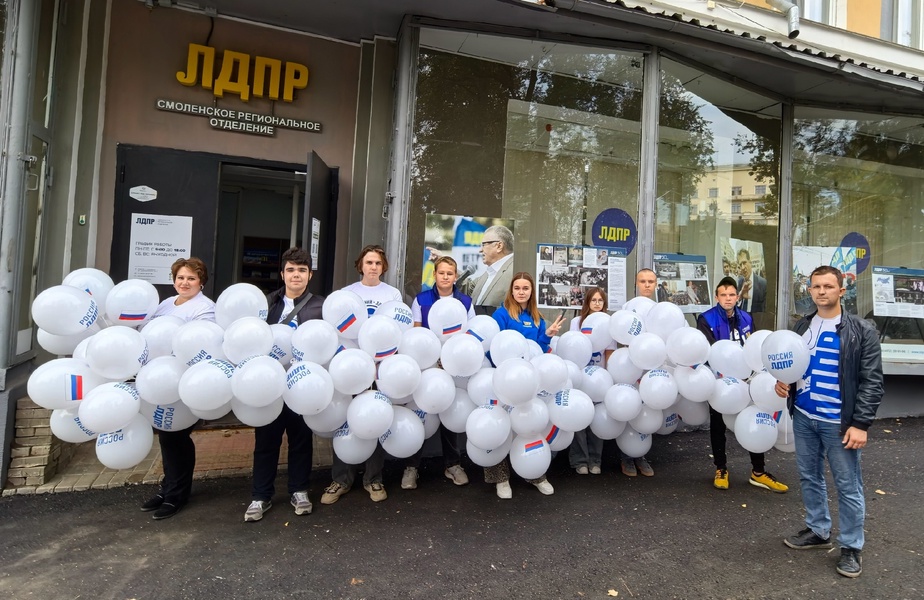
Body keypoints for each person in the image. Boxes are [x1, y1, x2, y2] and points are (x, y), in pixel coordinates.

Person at [774, 265, 883, 579]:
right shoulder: (800, 327)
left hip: (840, 423)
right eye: (816, 287)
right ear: (809, 291)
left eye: (828, 286)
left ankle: (851, 546)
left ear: (841, 290)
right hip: (805, 418)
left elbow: (872, 382)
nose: (821, 292)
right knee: (809, 477)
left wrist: (860, 424)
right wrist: (784, 384)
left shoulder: (862, 330)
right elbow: (791, 367)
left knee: (848, 486)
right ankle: (818, 530)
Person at [244, 248, 324, 522]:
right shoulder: (266, 304)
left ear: (309, 275)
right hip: (270, 383)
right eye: (291, 270)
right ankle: (260, 496)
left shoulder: (320, 306)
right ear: (282, 274)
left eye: (302, 270)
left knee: (301, 440)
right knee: (266, 441)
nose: (296, 275)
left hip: (302, 384)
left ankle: (299, 490)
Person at [321, 244, 402, 505]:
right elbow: (336, 330)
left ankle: (373, 478)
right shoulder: (346, 294)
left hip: (380, 369)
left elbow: (397, 331)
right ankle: (341, 479)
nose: (373, 267)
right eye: (369, 262)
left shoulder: (393, 294)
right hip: (350, 367)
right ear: (360, 265)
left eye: (378, 263)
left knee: (374, 419)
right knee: (344, 419)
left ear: (383, 267)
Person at [140, 257, 215, 520]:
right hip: (159, 377)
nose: (185, 283)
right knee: (166, 435)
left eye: (191, 278)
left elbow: (201, 344)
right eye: (181, 277)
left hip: (183, 379)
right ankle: (167, 488)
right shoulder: (164, 305)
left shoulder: (205, 309)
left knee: (177, 437)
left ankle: (177, 495)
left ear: (201, 282)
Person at [696, 276, 788, 493]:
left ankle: (758, 471)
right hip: (720, 382)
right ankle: (721, 468)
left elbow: (754, 348)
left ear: (737, 296)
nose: (727, 299)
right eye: (723, 295)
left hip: (748, 380)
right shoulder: (706, 319)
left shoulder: (746, 317)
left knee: (755, 419)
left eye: (731, 295)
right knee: (718, 424)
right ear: (716, 297)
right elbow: (708, 351)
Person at [486, 272, 565, 498]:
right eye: (517, 288)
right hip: (504, 380)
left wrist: (548, 335)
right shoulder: (501, 314)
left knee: (530, 425)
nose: (521, 291)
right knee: (501, 428)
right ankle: (501, 479)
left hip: (530, 382)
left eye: (525, 288)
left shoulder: (537, 316)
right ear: (511, 290)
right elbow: (494, 348)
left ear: (531, 292)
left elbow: (538, 349)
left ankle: (535, 473)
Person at [400, 256, 476, 490]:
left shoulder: (465, 302)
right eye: (441, 272)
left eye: (450, 273)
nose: (445, 277)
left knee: (450, 414)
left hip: (454, 368)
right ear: (435, 275)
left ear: (455, 276)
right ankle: (411, 467)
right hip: (427, 367)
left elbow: (470, 335)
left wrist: (452, 359)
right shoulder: (422, 300)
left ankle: (452, 464)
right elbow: (416, 334)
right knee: (421, 414)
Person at [568, 287, 613, 475]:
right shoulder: (576, 323)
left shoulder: (609, 324)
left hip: (599, 379)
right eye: (593, 300)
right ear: (587, 302)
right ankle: (580, 461)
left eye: (600, 300)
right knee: (579, 419)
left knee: (597, 420)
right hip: (580, 377)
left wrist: (608, 376)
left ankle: (595, 459)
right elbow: (571, 349)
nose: (596, 303)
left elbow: (609, 354)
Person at [619, 269, 657, 478]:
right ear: (636, 283)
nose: (647, 285)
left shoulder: (660, 310)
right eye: (643, 281)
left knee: (647, 409)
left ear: (656, 284)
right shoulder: (628, 308)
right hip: (630, 364)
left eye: (651, 281)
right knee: (629, 406)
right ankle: (627, 456)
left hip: (651, 366)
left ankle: (641, 455)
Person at [462, 225, 515, 315]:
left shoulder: (515, 271)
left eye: (483, 245)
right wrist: (447, 265)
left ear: (499, 246)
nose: (480, 250)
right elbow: (470, 288)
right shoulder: (490, 272)